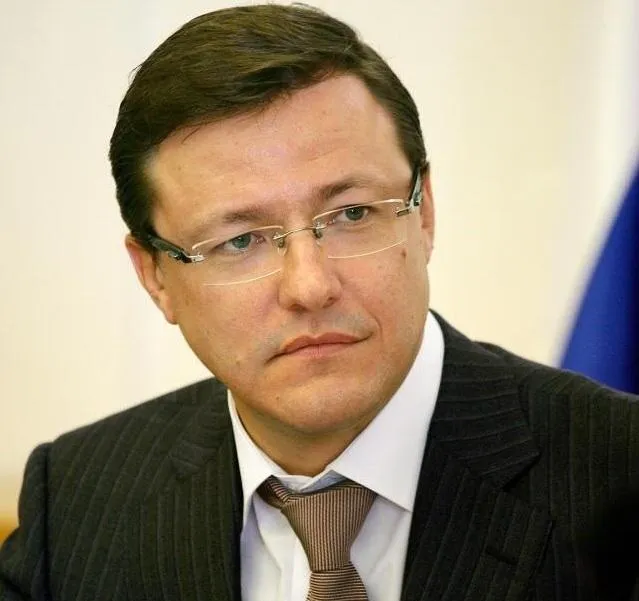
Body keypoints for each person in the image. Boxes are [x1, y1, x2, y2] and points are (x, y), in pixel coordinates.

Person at [1, 4, 637, 601]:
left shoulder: (620, 471)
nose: (309, 287)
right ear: (155, 277)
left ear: (424, 215)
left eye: (352, 214)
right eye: (239, 241)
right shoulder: (77, 499)